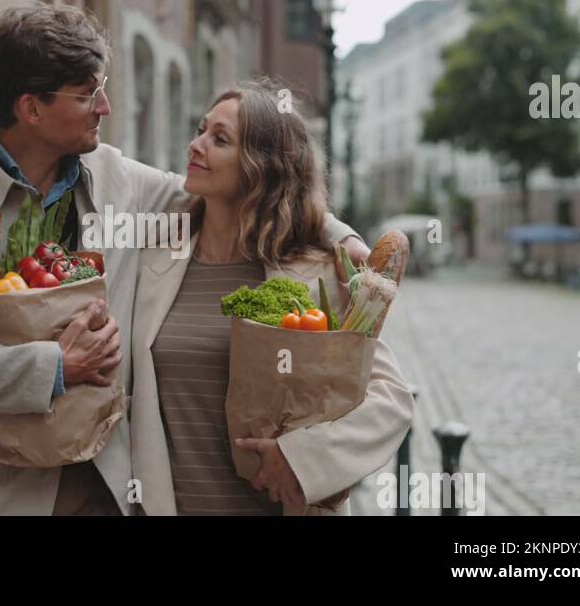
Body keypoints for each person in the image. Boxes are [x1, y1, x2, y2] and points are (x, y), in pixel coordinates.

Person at [0, 4, 369, 515]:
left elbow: (247, 187)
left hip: (111, 488)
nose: (106, 106)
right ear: (31, 109)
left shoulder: (118, 179)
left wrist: (343, 236)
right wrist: (53, 366)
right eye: (87, 94)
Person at [129, 81, 415, 515]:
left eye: (219, 139)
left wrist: (305, 461)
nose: (196, 144)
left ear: (260, 167)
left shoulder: (315, 273)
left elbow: (391, 398)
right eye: (201, 129)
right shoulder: (155, 257)